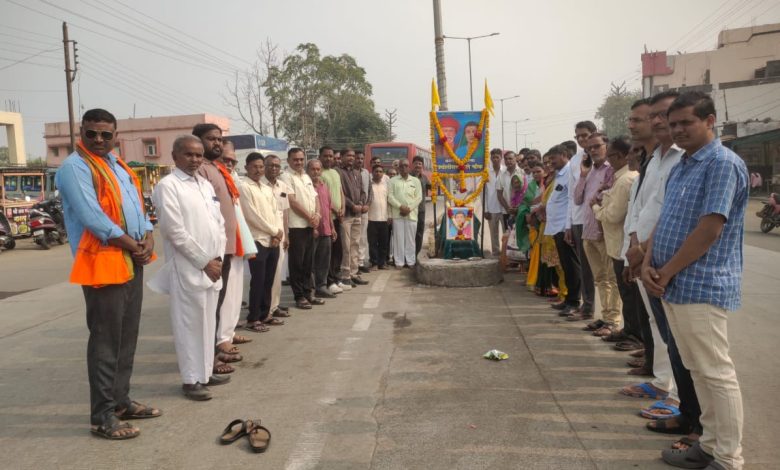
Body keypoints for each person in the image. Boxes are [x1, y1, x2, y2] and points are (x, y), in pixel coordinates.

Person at [643, 91, 747, 470]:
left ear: (710, 121)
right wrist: (648, 263)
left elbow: (709, 229)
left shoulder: (722, 164)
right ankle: (709, 444)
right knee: (697, 370)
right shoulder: (683, 165)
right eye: (673, 124)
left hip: (701, 284)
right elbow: (665, 217)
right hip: (671, 284)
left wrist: (667, 270)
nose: (678, 130)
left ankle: (728, 458)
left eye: (686, 122)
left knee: (716, 372)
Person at [56, 108, 160, 439]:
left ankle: (120, 401)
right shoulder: (75, 167)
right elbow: (93, 217)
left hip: (131, 257)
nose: (99, 139)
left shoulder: (118, 165)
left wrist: (148, 236)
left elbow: (138, 207)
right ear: (81, 134)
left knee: (127, 335)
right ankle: (101, 415)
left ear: (116, 136)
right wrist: (134, 244)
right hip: (103, 260)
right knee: (105, 339)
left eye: (105, 134)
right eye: (92, 133)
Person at [624, 92, 697, 447]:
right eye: (650, 116)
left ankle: (681, 404)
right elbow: (644, 208)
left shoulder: (687, 160)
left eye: (662, 115)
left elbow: (678, 217)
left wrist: (643, 251)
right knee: (661, 330)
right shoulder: (656, 159)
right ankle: (668, 388)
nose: (656, 122)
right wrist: (634, 249)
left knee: (689, 348)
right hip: (646, 257)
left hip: (667, 263)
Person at [150, 135, 229, 401]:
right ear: (175, 156)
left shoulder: (204, 185)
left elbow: (218, 224)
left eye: (198, 155)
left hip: (213, 266)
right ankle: (190, 379)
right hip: (189, 267)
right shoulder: (168, 186)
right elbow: (173, 230)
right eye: (188, 154)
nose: (195, 159)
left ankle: (205, 372)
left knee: (207, 323)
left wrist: (217, 258)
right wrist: (204, 261)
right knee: (189, 326)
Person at [192, 123, 242, 375]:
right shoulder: (200, 170)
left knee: (218, 303)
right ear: (198, 141)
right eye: (211, 139)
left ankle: (213, 352)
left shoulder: (216, 168)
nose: (217, 143)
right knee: (208, 306)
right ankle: (207, 359)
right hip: (211, 250)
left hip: (226, 246)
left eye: (219, 139)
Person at [591, 136, 641, 348]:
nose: (608, 160)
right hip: (618, 244)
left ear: (620, 156)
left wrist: (595, 208)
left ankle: (635, 335)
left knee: (629, 294)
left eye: (610, 155)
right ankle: (630, 331)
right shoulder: (621, 178)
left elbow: (613, 215)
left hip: (622, 244)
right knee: (626, 292)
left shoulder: (625, 180)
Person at [569, 133, 619, 331]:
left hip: (604, 232)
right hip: (588, 231)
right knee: (600, 279)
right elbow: (577, 199)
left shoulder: (612, 170)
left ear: (607, 145)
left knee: (611, 279)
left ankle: (613, 320)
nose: (593, 151)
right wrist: (583, 175)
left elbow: (608, 198)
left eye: (597, 146)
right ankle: (605, 317)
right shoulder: (589, 171)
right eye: (590, 148)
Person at [214, 140, 252, 361]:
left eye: (232, 161)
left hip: (237, 241)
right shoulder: (212, 176)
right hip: (224, 245)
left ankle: (229, 332)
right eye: (225, 159)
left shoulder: (232, 178)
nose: (229, 164)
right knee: (225, 294)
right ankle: (222, 338)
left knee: (236, 291)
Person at [240, 153, 284, 332]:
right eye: (254, 167)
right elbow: (251, 216)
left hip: (273, 240)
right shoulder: (244, 187)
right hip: (256, 240)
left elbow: (275, 212)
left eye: (260, 167)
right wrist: (274, 231)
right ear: (246, 168)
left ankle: (266, 314)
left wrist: (277, 234)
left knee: (269, 279)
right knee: (257, 280)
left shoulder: (265, 188)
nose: (258, 170)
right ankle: (253, 318)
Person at [280, 148, 323, 309]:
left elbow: (315, 197)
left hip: (309, 226)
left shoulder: (305, 176)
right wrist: (309, 217)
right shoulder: (286, 177)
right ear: (288, 160)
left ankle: (308, 293)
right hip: (296, 226)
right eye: (295, 159)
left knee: (308, 263)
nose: (298, 162)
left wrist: (317, 215)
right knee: (297, 264)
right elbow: (292, 201)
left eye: (300, 159)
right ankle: (299, 296)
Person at [565, 121, 597, 318]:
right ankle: (588, 306)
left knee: (605, 271)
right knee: (585, 266)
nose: (581, 139)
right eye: (578, 136)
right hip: (578, 218)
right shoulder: (575, 161)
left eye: (585, 135)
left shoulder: (602, 157)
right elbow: (571, 194)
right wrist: (568, 225)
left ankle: (609, 315)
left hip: (598, 218)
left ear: (594, 133)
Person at [544, 145, 581, 315]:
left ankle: (574, 301)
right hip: (557, 227)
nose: (550, 162)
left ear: (564, 155)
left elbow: (571, 202)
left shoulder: (570, 172)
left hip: (564, 227)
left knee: (572, 266)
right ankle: (568, 299)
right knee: (565, 266)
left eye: (553, 158)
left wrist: (568, 227)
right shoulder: (560, 175)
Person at [261, 155, 292, 318]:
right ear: (264, 166)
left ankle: (274, 305)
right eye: (270, 165)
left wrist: (286, 235)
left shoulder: (282, 186)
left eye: (277, 166)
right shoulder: (259, 185)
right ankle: (264, 308)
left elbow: (284, 212)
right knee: (264, 275)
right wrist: (273, 233)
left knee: (278, 272)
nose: (274, 168)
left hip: (280, 235)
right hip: (265, 234)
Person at [337, 148, 370, 286]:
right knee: (346, 246)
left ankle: (354, 273)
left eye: (352, 156)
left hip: (357, 214)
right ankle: (345, 275)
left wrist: (361, 203)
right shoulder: (338, 172)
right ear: (342, 157)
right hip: (346, 215)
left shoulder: (357, 173)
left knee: (355, 244)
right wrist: (352, 205)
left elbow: (362, 191)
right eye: (348, 156)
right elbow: (340, 193)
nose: (351, 158)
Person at [308, 159, 338, 299]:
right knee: (310, 262)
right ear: (308, 171)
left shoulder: (323, 186)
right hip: (313, 230)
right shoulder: (307, 186)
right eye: (313, 169)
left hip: (326, 229)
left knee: (324, 261)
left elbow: (328, 208)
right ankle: (310, 289)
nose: (316, 172)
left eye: (318, 169)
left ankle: (322, 286)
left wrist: (332, 228)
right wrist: (313, 227)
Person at [319, 146, 347, 295]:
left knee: (338, 251)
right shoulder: (320, 174)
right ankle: (329, 282)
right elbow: (324, 198)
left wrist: (342, 208)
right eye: (326, 156)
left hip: (339, 217)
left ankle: (337, 278)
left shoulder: (335, 172)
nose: (329, 159)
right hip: (328, 218)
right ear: (320, 157)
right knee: (328, 253)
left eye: (331, 156)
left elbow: (341, 191)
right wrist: (336, 210)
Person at [388, 159, 423, 268]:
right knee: (398, 239)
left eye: (406, 166)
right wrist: (400, 207)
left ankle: (410, 261)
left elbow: (419, 197)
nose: (404, 168)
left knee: (410, 240)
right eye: (402, 166)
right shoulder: (392, 181)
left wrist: (409, 209)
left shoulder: (415, 181)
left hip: (411, 215)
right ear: (398, 168)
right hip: (398, 214)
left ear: (409, 167)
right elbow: (390, 197)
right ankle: (399, 262)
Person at [368, 164, 390, 269]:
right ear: (372, 173)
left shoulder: (385, 186)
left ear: (383, 174)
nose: (378, 173)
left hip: (384, 219)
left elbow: (388, 202)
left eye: (380, 171)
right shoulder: (369, 186)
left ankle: (382, 263)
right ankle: (374, 263)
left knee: (383, 242)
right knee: (372, 243)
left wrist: (390, 216)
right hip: (371, 218)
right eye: (376, 171)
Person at [485, 148, 506, 256]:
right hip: (491, 207)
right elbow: (484, 192)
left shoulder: (506, 171)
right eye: (493, 157)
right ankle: (496, 253)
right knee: (494, 233)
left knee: (507, 232)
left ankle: (507, 252)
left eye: (497, 157)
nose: (495, 159)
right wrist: (485, 209)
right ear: (491, 158)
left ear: (501, 158)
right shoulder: (486, 173)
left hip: (505, 208)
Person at [496, 151, 525, 230]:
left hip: (521, 211)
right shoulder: (501, 175)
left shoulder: (522, 172)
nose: (508, 161)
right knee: (508, 234)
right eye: (506, 159)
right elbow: (499, 194)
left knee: (520, 234)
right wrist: (507, 208)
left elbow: (525, 192)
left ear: (515, 159)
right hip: (507, 212)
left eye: (510, 159)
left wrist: (518, 208)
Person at [356, 150, 372, 273]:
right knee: (354, 238)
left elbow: (370, 191)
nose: (360, 161)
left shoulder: (366, 173)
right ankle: (354, 263)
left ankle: (361, 262)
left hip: (364, 210)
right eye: (358, 158)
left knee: (363, 237)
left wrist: (367, 204)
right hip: (354, 210)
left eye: (362, 158)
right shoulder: (350, 172)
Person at [411, 155, 430, 256]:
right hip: (409, 210)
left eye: (420, 164)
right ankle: (408, 255)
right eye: (416, 163)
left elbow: (431, 187)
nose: (418, 165)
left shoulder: (424, 178)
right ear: (412, 164)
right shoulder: (408, 176)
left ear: (422, 166)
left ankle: (416, 255)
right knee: (410, 233)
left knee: (419, 232)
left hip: (421, 210)